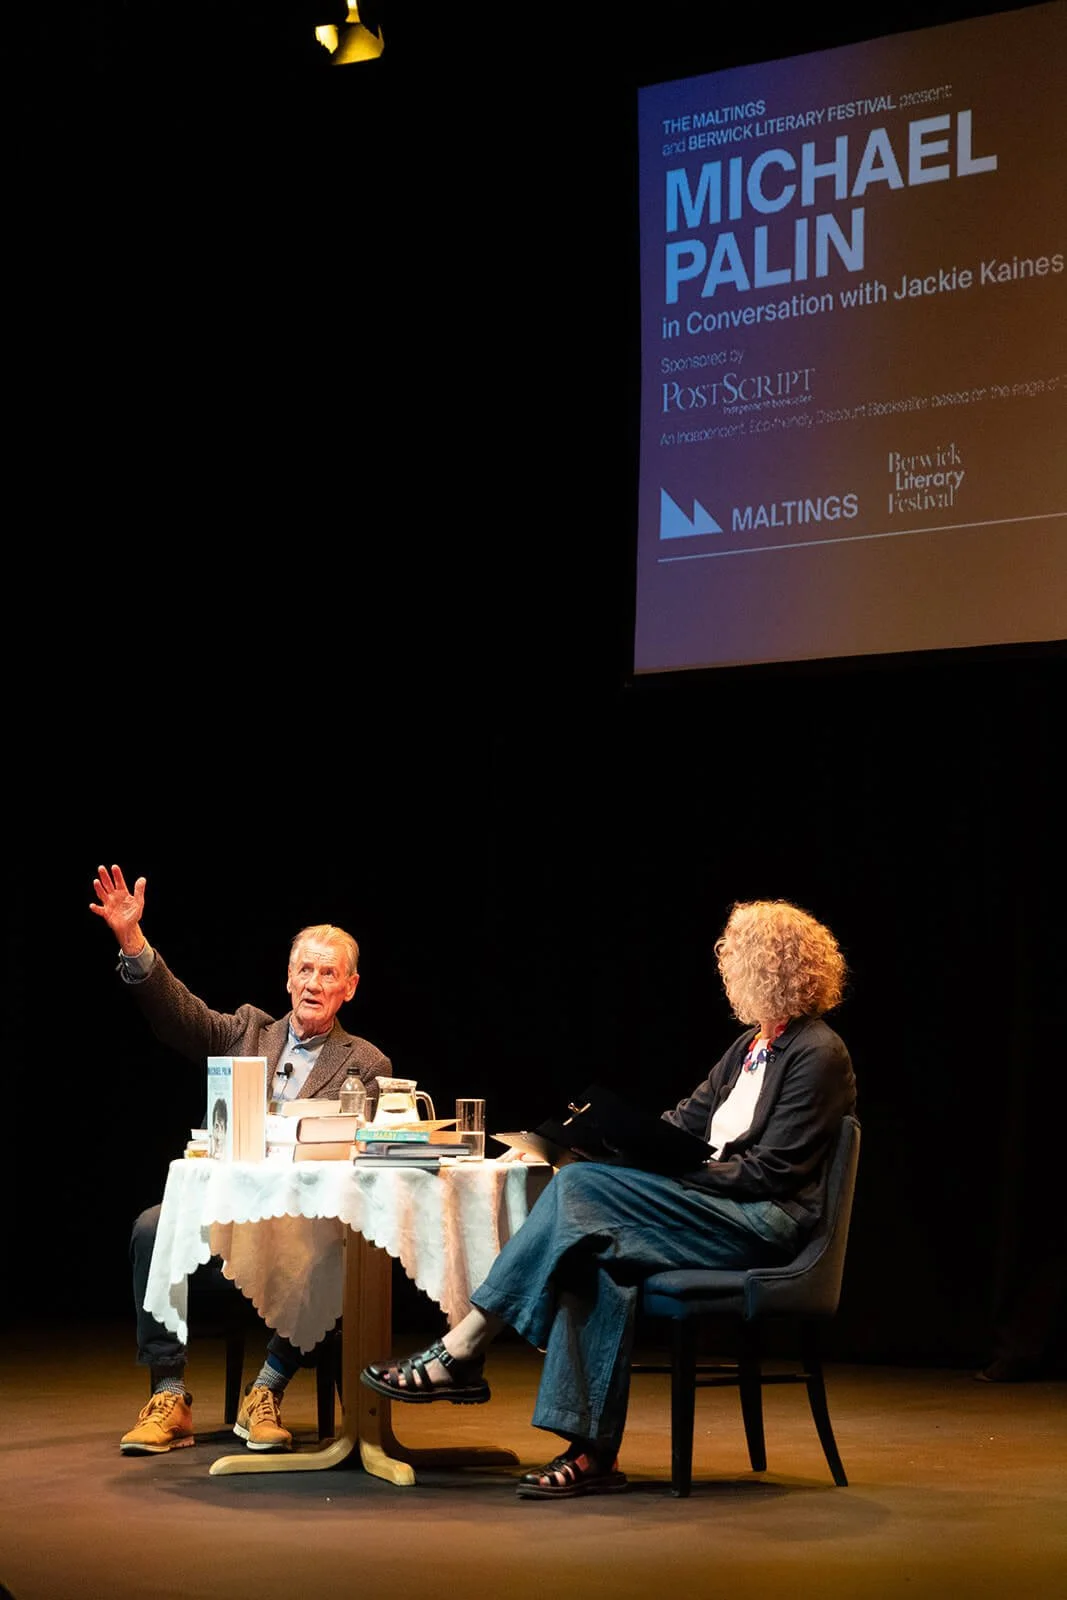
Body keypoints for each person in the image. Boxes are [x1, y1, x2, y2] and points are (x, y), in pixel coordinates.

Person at [361, 898, 856, 1498]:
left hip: (761, 1222)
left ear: (769, 967)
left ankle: (464, 1346)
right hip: (713, 1206)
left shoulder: (818, 1053)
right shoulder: (751, 1046)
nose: (726, 968)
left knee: (579, 1191)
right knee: (592, 1248)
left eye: (736, 956)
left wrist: (657, 1178)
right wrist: (609, 1146)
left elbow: (769, 1174)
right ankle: (592, 1455)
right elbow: (684, 1123)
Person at [90, 863, 392, 1457]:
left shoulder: (367, 1064)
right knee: (152, 1226)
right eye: (304, 969)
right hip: (226, 1210)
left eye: (327, 972)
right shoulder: (248, 1032)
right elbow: (182, 1016)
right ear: (287, 979)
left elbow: (367, 1164)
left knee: (334, 1249)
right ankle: (169, 1395)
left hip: (302, 1222)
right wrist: (135, 944)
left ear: (349, 988)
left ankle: (267, 1391)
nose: (313, 982)